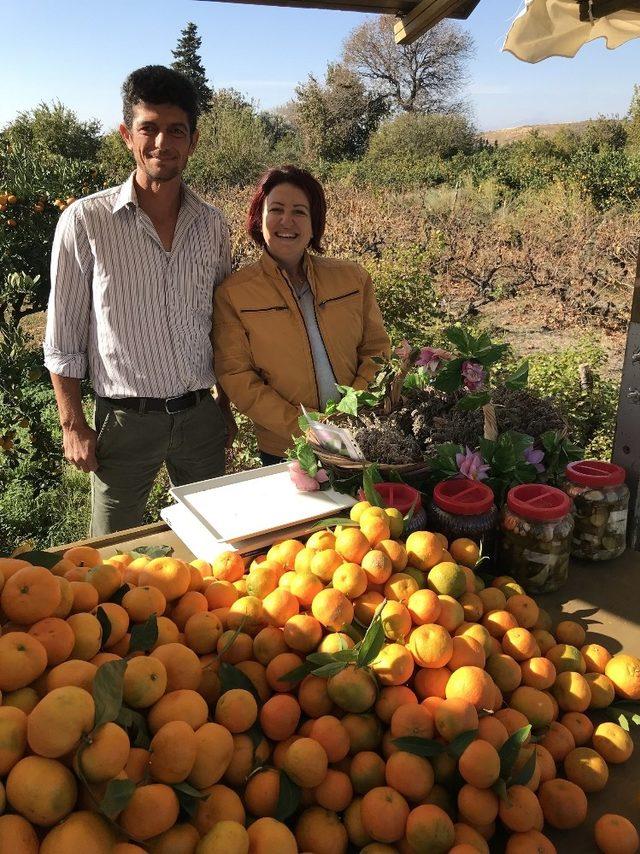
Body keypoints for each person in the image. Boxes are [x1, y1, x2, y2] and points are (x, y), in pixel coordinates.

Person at [44, 65, 236, 537]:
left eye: (176, 130)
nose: (161, 143)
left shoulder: (212, 226)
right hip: (125, 422)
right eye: (148, 128)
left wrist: (225, 408)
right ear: (127, 135)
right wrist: (73, 425)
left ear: (192, 140)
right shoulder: (85, 222)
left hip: (200, 417)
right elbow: (63, 335)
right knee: (110, 555)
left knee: (214, 547)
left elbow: (226, 328)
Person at [213, 165, 390, 464]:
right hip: (285, 448)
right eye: (276, 209)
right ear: (260, 218)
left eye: (299, 211)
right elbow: (237, 375)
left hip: (359, 434)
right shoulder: (234, 294)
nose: (287, 221)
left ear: (313, 224)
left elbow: (376, 350)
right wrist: (306, 427)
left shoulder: (352, 278)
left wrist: (351, 409)